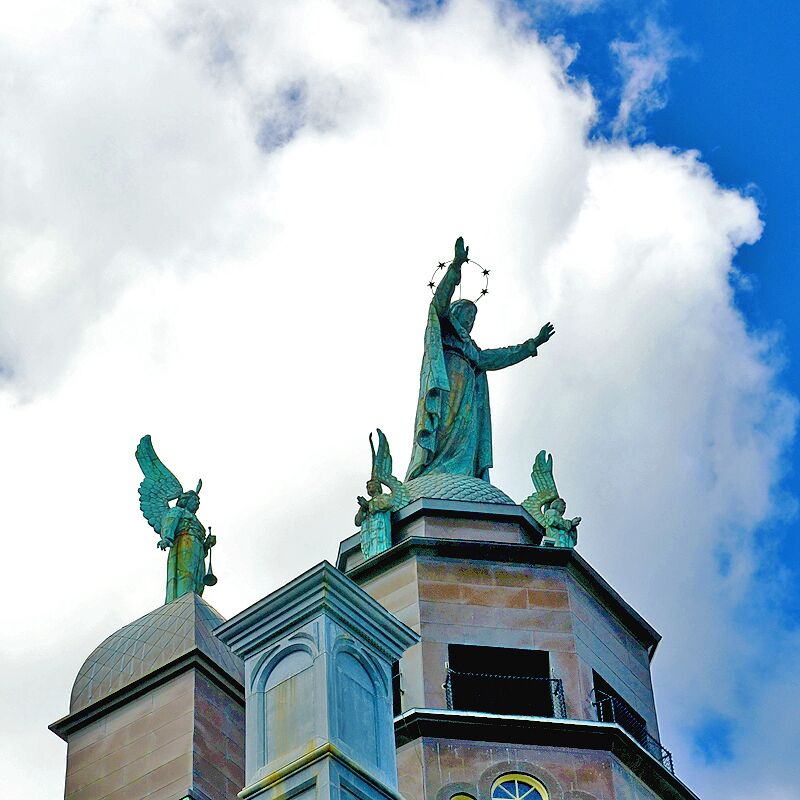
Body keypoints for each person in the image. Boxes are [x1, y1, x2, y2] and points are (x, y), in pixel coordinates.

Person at [406, 237, 555, 482]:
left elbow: (498, 357)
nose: (470, 320)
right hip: (447, 384)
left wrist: (532, 345)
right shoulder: (445, 330)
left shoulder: (473, 350)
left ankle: (462, 473)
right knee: (444, 425)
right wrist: (456, 266)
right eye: (466, 313)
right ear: (456, 313)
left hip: (468, 393)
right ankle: (435, 470)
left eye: (473, 317)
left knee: (466, 433)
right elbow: (439, 302)